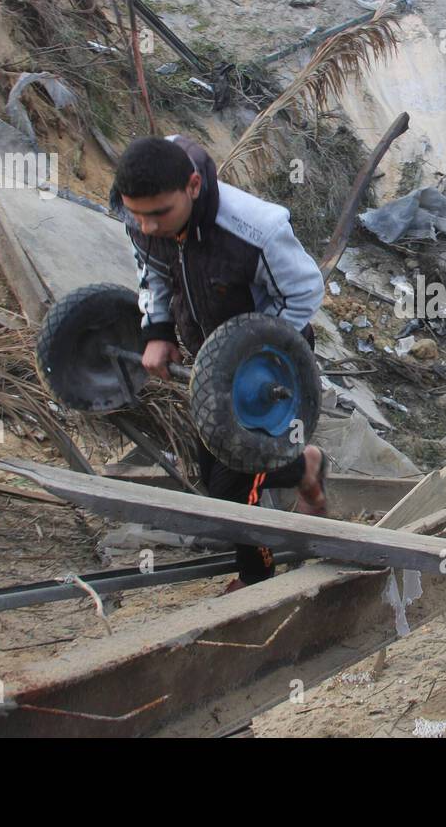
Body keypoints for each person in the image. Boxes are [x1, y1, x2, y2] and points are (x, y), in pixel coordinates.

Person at [111, 134, 327, 591]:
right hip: (209, 365)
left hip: (271, 373)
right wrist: (158, 332)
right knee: (211, 473)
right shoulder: (143, 220)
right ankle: (304, 467)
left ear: (192, 186)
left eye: (157, 214)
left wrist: (251, 355)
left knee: (233, 490)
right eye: (137, 214)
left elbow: (305, 290)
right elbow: (150, 274)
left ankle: (258, 578)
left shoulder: (254, 230)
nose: (146, 227)